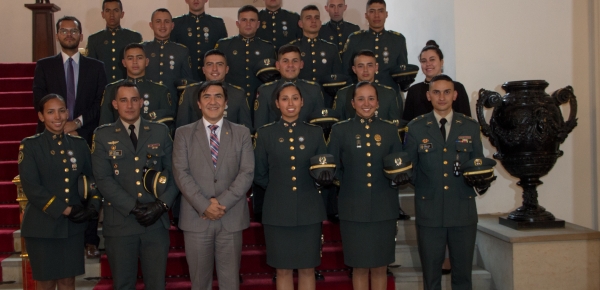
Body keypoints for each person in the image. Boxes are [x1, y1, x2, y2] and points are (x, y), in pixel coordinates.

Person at [92, 82, 178, 290]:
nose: (129, 105)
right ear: (114, 104)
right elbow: (103, 179)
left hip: (155, 223)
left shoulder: (159, 131)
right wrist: (133, 206)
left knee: (157, 284)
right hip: (120, 222)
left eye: (134, 100)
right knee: (123, 284)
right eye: (123, 100)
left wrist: (161, 206)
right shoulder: (103, 135)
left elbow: (175, 173)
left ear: (141, 103)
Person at [403, 74, 486, 290]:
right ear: (428, 95)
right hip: (430, 211)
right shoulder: (416, 127)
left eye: (447, 92)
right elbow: (410, 168)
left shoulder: (469, 127)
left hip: (462, 210)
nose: (442, 97)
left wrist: (482, 180)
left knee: (463, 276)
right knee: (431, 277)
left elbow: (477, 164)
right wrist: (427, 187)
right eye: (437, 92)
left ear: (455, 95)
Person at [172, 80, 254, 290]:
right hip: (196, 217)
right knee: (199, 283)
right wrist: (204, 205)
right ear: (198, 103)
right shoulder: (183, 133)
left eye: (218, 96)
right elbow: (181, 173)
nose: (213, 101)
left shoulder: (242, 133)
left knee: (230, 283)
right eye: (207, 96)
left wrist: (221, 203)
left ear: (226, 102)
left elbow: (247, 173)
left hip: (231, 216)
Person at [19, 94, 100, 290]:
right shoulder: (31, 145)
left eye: (62, 110)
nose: (57, 116)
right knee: (46, 283)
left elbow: (92, 182)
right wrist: (66, 210)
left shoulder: (79, 145)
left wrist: (92, 207)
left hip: (71, 229)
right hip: (42, 226)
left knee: (67, 281)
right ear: (41, 116)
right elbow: (32, 188)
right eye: (50, 112)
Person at [328, 81, 405, 290]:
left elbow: (399, 166)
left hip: (384, 208)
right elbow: (333, 167)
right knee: (359, 267)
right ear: (353, 103)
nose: (366, 103)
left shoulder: (389, 130)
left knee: (380, 266)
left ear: (378, 102)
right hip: (353, 209)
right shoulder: (340, 130)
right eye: (360, 99)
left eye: (371, 98)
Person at [254, 82, 328, 290]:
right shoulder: (265, 134)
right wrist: (281, 189)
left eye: (295, 98)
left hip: (309, 210)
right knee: (282, 269)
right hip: (277, 211)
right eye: (285, 99)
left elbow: (324, 168)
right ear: (277, 103)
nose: (290, 103)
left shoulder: (315, 133)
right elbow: (259, 173)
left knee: (307, 268)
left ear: (302, 101)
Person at [33, 16, 108, 145]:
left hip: (87, 134)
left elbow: (100, 102)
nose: (69, 35)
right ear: (57, 36)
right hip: (50, 134)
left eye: (73, 31)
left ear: (81, 36)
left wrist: (76, 124)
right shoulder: (44, 66)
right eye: (64, 31)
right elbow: (39, 101)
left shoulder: (96, 67)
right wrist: (60, 126)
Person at [99, 43, 173, 127]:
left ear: (147, 62)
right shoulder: (111, 89)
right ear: (124, 63)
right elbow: (104, 125)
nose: (135, 62)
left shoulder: (160, 91)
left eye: (139, 58)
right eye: (130, 58)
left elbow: (166, 126)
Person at [176, 49, 252, 130]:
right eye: (209, 64)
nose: (214, 69)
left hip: (230, 141)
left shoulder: (238, 94)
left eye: (219, 64)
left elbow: (246, 130)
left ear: (227, 69)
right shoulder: (190, 92)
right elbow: (181, 129)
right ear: (203, 70)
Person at [215, 5, 276, 104]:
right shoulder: (224, 45)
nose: (248, 24)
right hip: (231, 100)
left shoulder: (267, 48)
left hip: (258, 100)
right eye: (244, 20)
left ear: (258, 24)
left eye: (252, 20)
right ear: (237, 23)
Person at [254, 44, 324, 130]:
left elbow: (318, 126)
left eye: (295, 61)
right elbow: (260, 129)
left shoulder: (313, 90)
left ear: (301, 64)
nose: (290, 65)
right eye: (285, 61)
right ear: (277, 65)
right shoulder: (265, 91)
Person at [341, 0, 408, 90]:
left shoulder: (398, 40)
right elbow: (346, 71)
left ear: (386, 14)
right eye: (372, 11)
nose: (376, 15)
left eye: (380, 11)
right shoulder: (355, 39)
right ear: (366, 15)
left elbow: (402, 73)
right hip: (361, 95)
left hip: (390, 96)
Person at [402, 40, 471, 125]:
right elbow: (408, 124)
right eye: (424, 61)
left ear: (441, 62)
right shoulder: (414, 91)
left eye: (432, 60)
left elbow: (467, 123)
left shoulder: (457, 87)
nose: (428, 64)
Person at [289, 5, 344, 108]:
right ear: (301, 23)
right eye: (308, 18)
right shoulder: (292, 49)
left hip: (326, 102)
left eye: (316, 18)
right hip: (299, 102)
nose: (313, 21)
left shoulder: (331, 48)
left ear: (320, 23)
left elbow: (337, 79)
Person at [143, 8, 194, 113]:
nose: (162, 25)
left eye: (166, 22)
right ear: (151, 25)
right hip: (146, 103)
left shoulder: (181, 50)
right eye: (158, 22)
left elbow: (186, 84)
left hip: (173, 105)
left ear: (172, 25)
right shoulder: (143, 49)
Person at [333, 50, 401, 124]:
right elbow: (338, 127)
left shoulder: (389, 94)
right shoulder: (343, 94)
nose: (365, 70)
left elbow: (394, 126)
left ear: (376, 67)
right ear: (354, 69)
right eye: (360, 66)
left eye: (370, 65)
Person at [86, 0, 143, 82]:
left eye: (116, 10)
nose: (112, 15)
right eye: (108, 11)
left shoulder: (134, 37)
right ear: (103, 14)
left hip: (128, 87)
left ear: (122, 14)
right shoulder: (94, 39)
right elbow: (91, 68)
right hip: (103, 87)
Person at [171, 0, 228, 81]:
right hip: (186, 78)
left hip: (211, 77)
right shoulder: (177, 23)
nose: (196, 0)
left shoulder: (217, 23)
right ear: (186, 0)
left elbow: (223, 54)